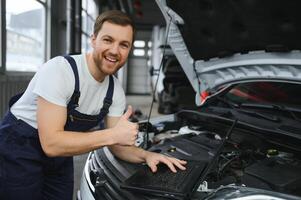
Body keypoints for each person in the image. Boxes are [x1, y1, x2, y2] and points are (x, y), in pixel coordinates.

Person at [0, 10, 186, 200]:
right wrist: (112, 135)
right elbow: (51, 144)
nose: (115, 50)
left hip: (61, 151)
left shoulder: (115, 90)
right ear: (93, 39)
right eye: (108, 40)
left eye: (124, 45)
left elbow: (116, 145)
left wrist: (146, 156)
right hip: (21, 144)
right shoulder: (60, 71)